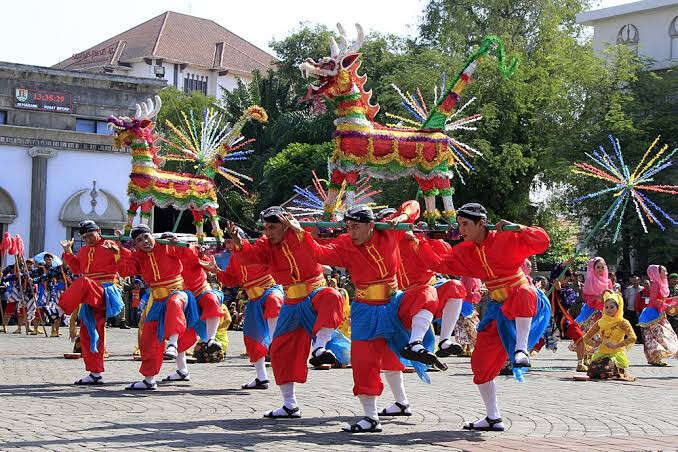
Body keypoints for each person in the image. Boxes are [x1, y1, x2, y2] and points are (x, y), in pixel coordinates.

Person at [304, 203, 446, 433]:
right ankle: (370, 418)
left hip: (393, 304)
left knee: (427, 292)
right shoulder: (345, 243)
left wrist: (403, 215)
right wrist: (301, 234)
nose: (351, 231)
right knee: (363, 362)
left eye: (356, 227)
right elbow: (319, 253)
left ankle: (416, 343)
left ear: (371, 225)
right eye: (348, 226)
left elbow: (414, 205)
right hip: (365, 310)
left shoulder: (388, 229)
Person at [426, 202, 550, 432]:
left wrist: (518, 228)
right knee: (480, 364)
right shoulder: (466, 250)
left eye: (465, 224)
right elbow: (441, 262)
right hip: (497, 309)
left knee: (523, 291)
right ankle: (493, 417)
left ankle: (521, 350)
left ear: (481, 223)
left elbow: (543, 241)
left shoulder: (506, 238)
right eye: (459, 224)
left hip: (525, 303)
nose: (461, 229)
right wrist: (424, 240)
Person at [227, 206, 346, 419]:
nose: (268, 232)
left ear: (285, 224)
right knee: (281, 352)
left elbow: (324, 243)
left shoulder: (304, 231)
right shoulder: (266, 243)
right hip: (291, 302)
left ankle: (319, 349)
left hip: (314, 294)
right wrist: (238, 243)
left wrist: (301, 231)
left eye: (272, 227)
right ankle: (289, 405)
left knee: (332, 296)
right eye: (266, 228)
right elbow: (250, 257)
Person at [114, 224, 202, 390]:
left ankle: (173, 344)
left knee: (174, 304)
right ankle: (148, 380)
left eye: (146, 237)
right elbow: (126, 270)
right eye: (139, 240)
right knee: (148, 338)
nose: (145, 241)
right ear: (136, 244)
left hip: (179, 292)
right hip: (157, 300)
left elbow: (192, 256)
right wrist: (120, 251)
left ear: (152, 236)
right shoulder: (138, 256)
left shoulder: (167, 246)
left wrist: (180, 244)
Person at [204, 226, 283, 390]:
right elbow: (231, 280)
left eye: (234, 238)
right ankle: (262, 378)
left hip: (270, 290)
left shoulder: (258, 247)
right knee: (252, 338)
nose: (230, 243)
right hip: (253, 300)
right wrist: (216, 271)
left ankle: (276, 342)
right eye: (228, 240)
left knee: (274, 301)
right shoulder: (233, 259)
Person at [58, 220, 125, 385]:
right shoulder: (82, 251)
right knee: (89, 332)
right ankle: (95, 373)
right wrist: (67, 251)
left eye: (90, 234)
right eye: (85, 236)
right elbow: (76, 269)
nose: (88, 238)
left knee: (83, 282)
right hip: (90, 296)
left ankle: (62, 309)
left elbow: (125, 264)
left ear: (99, 231)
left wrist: (118, 251)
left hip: (107, 292)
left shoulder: (109, 244)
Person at [583, 290, 636, 381]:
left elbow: (632, 338)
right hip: (601, 354)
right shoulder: (601, 322)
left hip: (617, 355)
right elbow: (586, 337)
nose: (609, 310)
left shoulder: (622, 322)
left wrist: (616, 345)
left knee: (606, 369)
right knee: (594, 371)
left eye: (612, 307)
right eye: (606, 307)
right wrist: (595, 343)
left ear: (618, 308)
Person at [638, 265, 678, 366]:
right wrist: (667, 305)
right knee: (660, 336)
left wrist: (673, 299)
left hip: (659, 313)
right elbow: (654, 300)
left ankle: (655, 358)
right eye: (664, 271)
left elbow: (661, 300)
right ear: (657, 273)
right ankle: (655, 358)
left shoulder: (660, 284)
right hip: (653, 315)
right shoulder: (656, 284)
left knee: (659, 336)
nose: (666, 273)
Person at [549, 264, 587, 371]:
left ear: (566, 279)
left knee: (580, 337)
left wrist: (560, 291)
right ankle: (519, 360)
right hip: (548, 322)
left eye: (559, 277)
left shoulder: (570, 291)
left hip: (564, 321)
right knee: (532, 338)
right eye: (555, 277)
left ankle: (580, 363)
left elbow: (567, 304)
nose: (556, 279)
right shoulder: (548, 290)